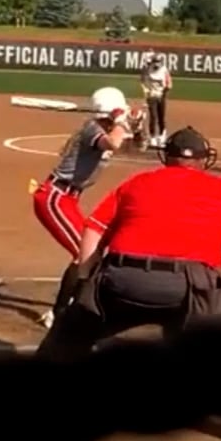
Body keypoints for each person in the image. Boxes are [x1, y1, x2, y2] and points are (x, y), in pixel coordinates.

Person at [40, 125, 221, 441]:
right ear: (204, 160)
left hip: (123, 279)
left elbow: (94, 229)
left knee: (70, 330)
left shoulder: (137, 183)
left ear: (167, 157)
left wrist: (86, 283)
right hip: (191, 287)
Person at [29, 86, 137, 328]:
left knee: (92, 252)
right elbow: (114, 144)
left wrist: (135, 125)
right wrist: (122, 121)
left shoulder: (106, 128)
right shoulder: (93, 129)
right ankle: (58, 314)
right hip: (54, 196)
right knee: (83, 253)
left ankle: (74, 305)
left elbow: (134, 147)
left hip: (68, 198)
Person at [140, 52, 173, 148]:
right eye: (155, 61)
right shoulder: (147, 70)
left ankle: (162, 136)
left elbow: (169, 83)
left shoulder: (164, 70)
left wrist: (165, 91)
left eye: (158, 62)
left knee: (161, 117)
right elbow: (142, 80)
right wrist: (146, 90)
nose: (156, 64)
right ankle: (153, 136)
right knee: (153, 117)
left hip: (161, 96)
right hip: (151, 96)